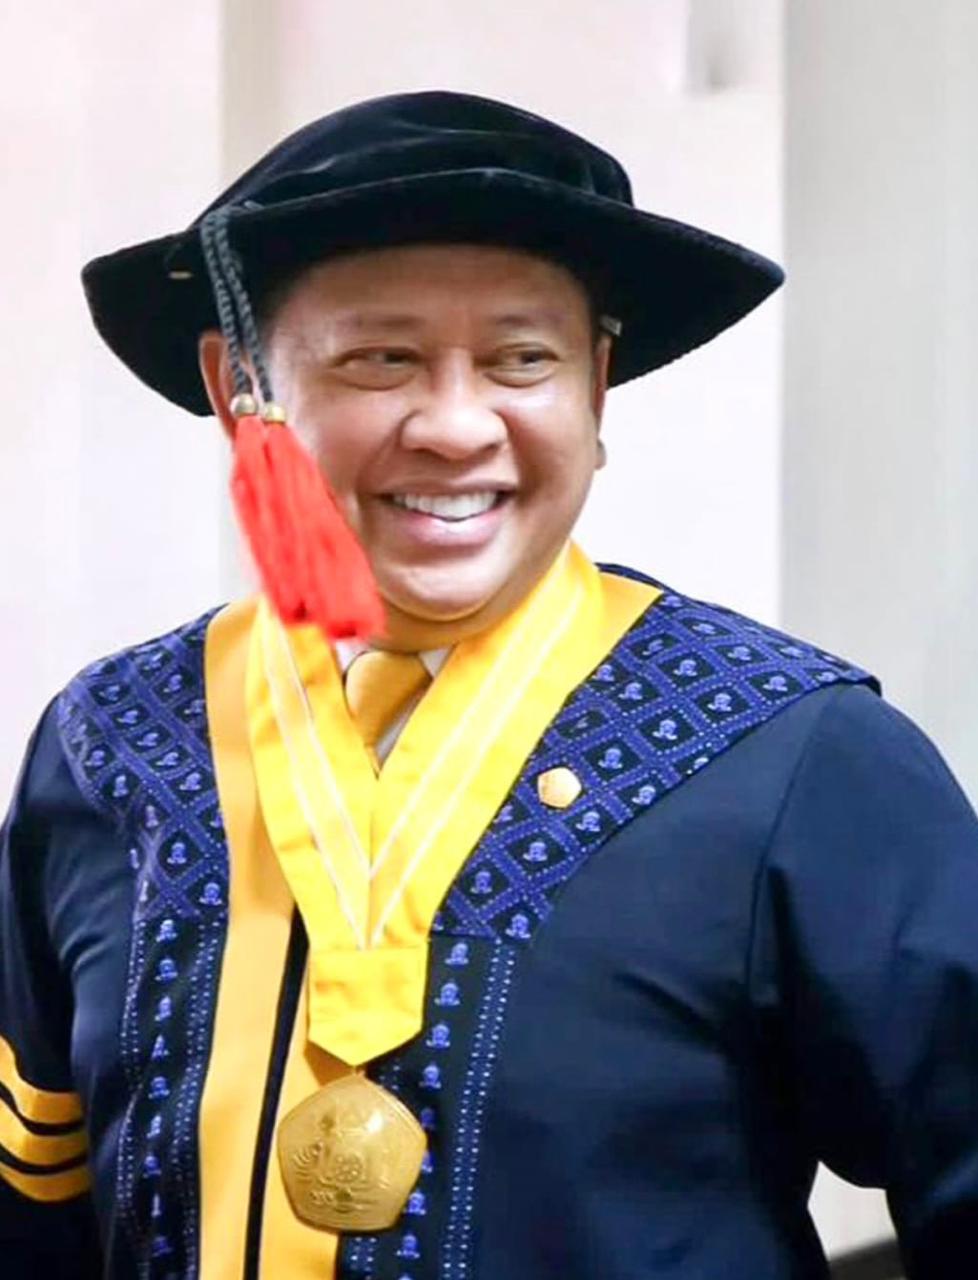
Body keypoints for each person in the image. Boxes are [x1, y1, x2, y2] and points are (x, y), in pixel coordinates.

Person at [1, 90, 976, 1280]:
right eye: (382, 358)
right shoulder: (111, 745)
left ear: (596, 387)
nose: (458, 426)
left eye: (523, 358)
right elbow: (32, 1214)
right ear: (238, 388)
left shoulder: (799, 757)